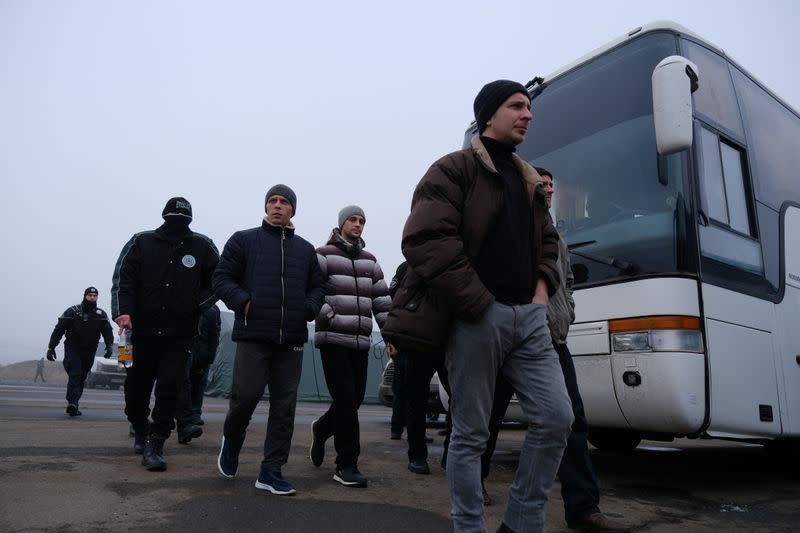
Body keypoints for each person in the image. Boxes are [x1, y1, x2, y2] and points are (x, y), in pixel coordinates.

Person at [389, 80, 574, 533]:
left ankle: (521, 522)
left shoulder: (530, 179)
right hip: (476, 318)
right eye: (517, 106)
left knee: (557, 419)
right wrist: (478, 302)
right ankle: (469, 526)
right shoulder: (453, 169)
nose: (528, 115)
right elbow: (425, 238)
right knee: (471, 434)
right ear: (489, 114)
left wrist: (541, 294)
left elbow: (549, 242)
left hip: (530, 321)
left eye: (529, 107)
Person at [480, 168, 630, 533]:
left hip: (553, 339)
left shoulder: (557, 235)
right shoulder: (514, 224)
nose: (547, 190)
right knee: (486, 419)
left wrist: (566, 311)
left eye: (551, 186)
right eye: (541, 185)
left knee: (571, 420)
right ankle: (473, 482)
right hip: (513, 338)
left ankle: (582, 508)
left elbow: (567, 280)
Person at [214, 184, 324, 496]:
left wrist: (309, 308)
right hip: (253, 334)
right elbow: (221, 278)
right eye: (272, 201)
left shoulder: (305, 250)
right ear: (266, 206)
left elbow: (318, 287)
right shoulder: (243, 240)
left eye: (284, 202)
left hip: (291, 339)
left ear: (292, 210)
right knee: (245, 397)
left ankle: (271, 471)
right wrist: (243, 301)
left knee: (284, 406)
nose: (278, 206)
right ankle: (232, 441)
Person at [111, 197, 219, 471]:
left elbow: (219, 281)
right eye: (173, 217)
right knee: (135, 392)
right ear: (164, 216)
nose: (178, 222)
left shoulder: (202, 246)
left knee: (170, 389)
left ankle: (156, 442)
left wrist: (197, 307)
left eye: (183, 218)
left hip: (180, 335)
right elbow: (123, 278)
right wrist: (123, 312)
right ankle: (139, 426)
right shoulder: (141, 241)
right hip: (139, 334)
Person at [309, 205, 391, 488]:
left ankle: (321, 429)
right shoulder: (323, 255)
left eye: (362, 221)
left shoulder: (370, 261)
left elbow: (382, 301)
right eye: (353, 220)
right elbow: (311, 290)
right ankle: (346, 464)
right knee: (345, 400)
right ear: (342, 223)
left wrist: (391, 337)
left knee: (353, 400)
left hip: (361, 341)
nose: (358, 224)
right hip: (332, 338)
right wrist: (325, 313)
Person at [385, 262, 448, 476]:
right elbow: (394, 295)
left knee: (458, 397)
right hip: (418, 338)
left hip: (447, 337)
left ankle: (446, 454)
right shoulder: (409, 266)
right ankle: (417, 454)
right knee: (413, 397)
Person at [47, 287, 114, 416]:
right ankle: (72, 403)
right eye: (90, 295)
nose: (92, 297)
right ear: (85, 296)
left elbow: (107, 331)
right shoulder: (72, 311)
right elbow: (59, 330)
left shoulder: (101, 315)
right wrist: (51, 347)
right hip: (73, 348)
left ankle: (74, 404)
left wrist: (109, 346)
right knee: (75, 374)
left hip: (89, 350)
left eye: (95, 295)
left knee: (82, 377)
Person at [175, 304, 221, 443]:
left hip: (202, 355)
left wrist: (210, 358)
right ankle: (186, 418)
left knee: (198, 385)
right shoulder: (184, 300)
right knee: (185, 384)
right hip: (184, 350)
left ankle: (193, 415)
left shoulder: (213, 310)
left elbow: (215, 335)